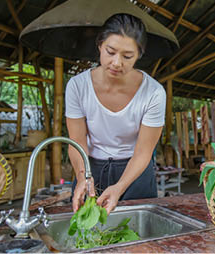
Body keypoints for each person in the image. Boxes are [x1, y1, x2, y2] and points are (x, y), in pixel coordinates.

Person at [65, 13, 166, 214]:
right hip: (90, 168)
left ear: (139, 55)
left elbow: (143, 153)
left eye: (127, 56)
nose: (117, 62)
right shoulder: (77, 86)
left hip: (135, 172)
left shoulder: (154, 93)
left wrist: (120, 187)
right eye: (110, 52)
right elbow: (77, 142)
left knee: (136, 240)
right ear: (100, 45)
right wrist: (83, 176)